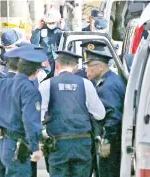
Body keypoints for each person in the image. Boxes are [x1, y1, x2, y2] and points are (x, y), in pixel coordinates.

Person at [0, 46, 47, 177]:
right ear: (36, 72)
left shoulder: (1, 83)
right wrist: (35, 147)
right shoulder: (30, 89)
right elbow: (29, 120)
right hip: (16, 146)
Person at [39, 50, 106, 177]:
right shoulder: (86, 84)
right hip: (82, 143)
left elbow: (38, 117)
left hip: (58, 144)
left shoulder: (46, 85)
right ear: (75, 67)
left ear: (57, 65)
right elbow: (100, 114)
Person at [83, 41, 126, 177]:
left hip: (109, 142)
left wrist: (106, 140)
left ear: (101, 67)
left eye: (89, 66)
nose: (86, 70)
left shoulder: (107, 87)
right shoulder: (111, 80)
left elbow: (113, 116)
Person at [30, 8, 62, 78]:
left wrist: (63, 28)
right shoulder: (41, 30)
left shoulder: (60, 30)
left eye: (53, 23)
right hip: (45, 61)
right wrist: (38, 28)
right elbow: (34, 43)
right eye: (49, 23)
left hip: (57, 61)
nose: (51, 24)